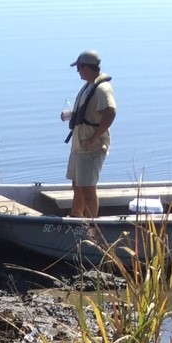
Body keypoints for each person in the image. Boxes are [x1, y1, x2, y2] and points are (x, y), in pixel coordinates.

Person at [60, 50, 115, 219]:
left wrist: (93, 138)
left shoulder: (102, 88)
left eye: (78, 67)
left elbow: (111, 112)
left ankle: (91, 227)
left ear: (85, 67)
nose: (77, 71)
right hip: (79, 145)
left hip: (90, 147)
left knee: (88, 188)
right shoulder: (89, 85)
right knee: (77, 185)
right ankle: (77, 218)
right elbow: (88, 112)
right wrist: (71, 114)